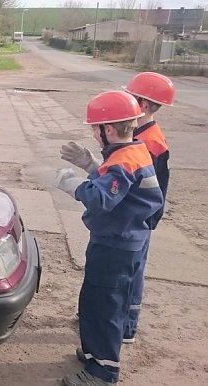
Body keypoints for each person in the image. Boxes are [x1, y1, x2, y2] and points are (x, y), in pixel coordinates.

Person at [53, 90, 164, 386]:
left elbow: (102, 198)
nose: (93, 132)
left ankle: (102, 372)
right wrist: (92, 166)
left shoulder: (123, 159)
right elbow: (120, 186)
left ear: (109, 129)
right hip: (124, 239)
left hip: (116, 244)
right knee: (98, 301)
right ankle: (95, 355)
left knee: (103, 306)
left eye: (95, 127)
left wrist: (72, 182)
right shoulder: (134, 150)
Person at [61, 72, 175, 346]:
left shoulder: (148, 143)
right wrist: (93, 166)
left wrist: (81, 181)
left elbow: (123, 190)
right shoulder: (139, 138)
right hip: (132, 221)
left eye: (131, 99)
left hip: (131, 224)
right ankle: (115, 322)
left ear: (144, 106)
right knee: (121, 281)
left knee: (124, 281)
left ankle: (124, 326)